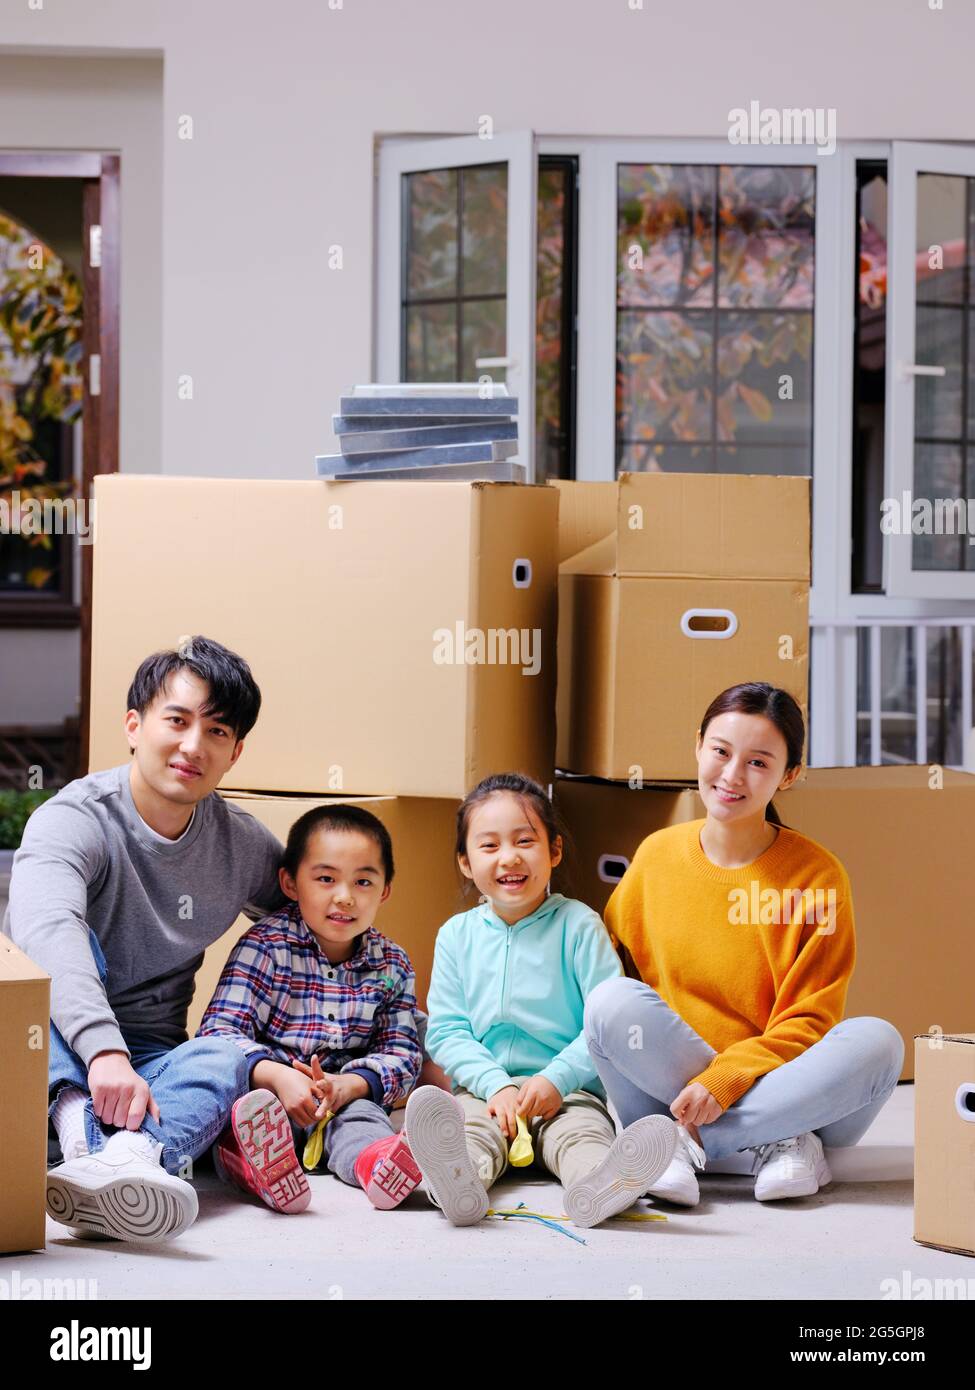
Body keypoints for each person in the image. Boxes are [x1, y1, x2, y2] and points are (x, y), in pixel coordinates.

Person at [3, 636, 290, 1243]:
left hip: (153, 1064)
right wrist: (103, 1052)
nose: (193, 746)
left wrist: (389, 1032)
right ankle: (83, 1123)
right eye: (177, 721)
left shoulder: (242, 845)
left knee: (232, 1054)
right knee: (49, 961)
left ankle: (119, 1157)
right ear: (134, 725)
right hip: (48, 1051)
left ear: (236, 752)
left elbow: (308, 924)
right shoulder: (74, 818)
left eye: (216, 732)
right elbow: (44, 927)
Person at [584, 681, 905, 1206]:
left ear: (790, 775)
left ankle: (683, 1144)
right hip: (674, 1093)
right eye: (721, 751)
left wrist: (727, 1082)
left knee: (879, 1042)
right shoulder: (657, 856)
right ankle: (766, 1140)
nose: (732, 776)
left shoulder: (816, 876)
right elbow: (621, 991)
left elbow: (809, 1020)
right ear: (698, 745)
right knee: (607, 1002)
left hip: (775, 1094)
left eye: (759, 763)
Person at [405, 772, 678, 1229]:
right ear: (466, 863)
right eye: (489, 846)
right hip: (483, 1094)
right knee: (470, 1136)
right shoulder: (456, 935)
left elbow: (603, 1024)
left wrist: (556, 1079)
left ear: (554, 851)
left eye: (524, 841)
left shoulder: (579, 925)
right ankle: (457, 1183)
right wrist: (496, 1084)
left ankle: (599, 1185)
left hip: (568, 1093)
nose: (509, 857)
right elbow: (447, 1032)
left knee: (582, 1138)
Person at [197, 804, 423, 1213]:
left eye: (363, 882)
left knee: (362, 1122)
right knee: (246, 1124)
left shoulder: (393, 965)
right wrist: (277, 1078)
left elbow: (403, 1054)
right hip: (267, 1095)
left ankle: (378, 1165)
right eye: (325, 878)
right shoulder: (265, 947)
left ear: (385, 890)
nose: (345, 897)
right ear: (290, 882)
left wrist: (349, 1085)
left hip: (341, 1097)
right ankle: (260, 1170)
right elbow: (217, 1034)